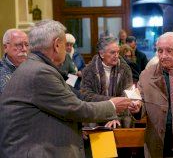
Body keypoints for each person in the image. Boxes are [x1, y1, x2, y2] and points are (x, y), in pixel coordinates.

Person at [0, 19, 132, 158]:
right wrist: (112, 105)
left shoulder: (36, 66)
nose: (67, 49)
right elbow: (75, 108)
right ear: (57, 45)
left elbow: (75, 95)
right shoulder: (39, 72)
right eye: (64, 44)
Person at [81, 35, 133, 128]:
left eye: (118, 52)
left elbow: (127, 94)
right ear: (101, 54)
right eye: (112, 52)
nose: (116, 56)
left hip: (120, 118)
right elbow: (86, 96)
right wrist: (111, 104)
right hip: (95, 116)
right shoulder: (89, 70)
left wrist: (115, 115)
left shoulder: (125, 69)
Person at [0, 29, 28, 93]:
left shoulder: (34, 67)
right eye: (18, 45)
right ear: (5, 47)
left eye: (26, 45)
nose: (24, 49)